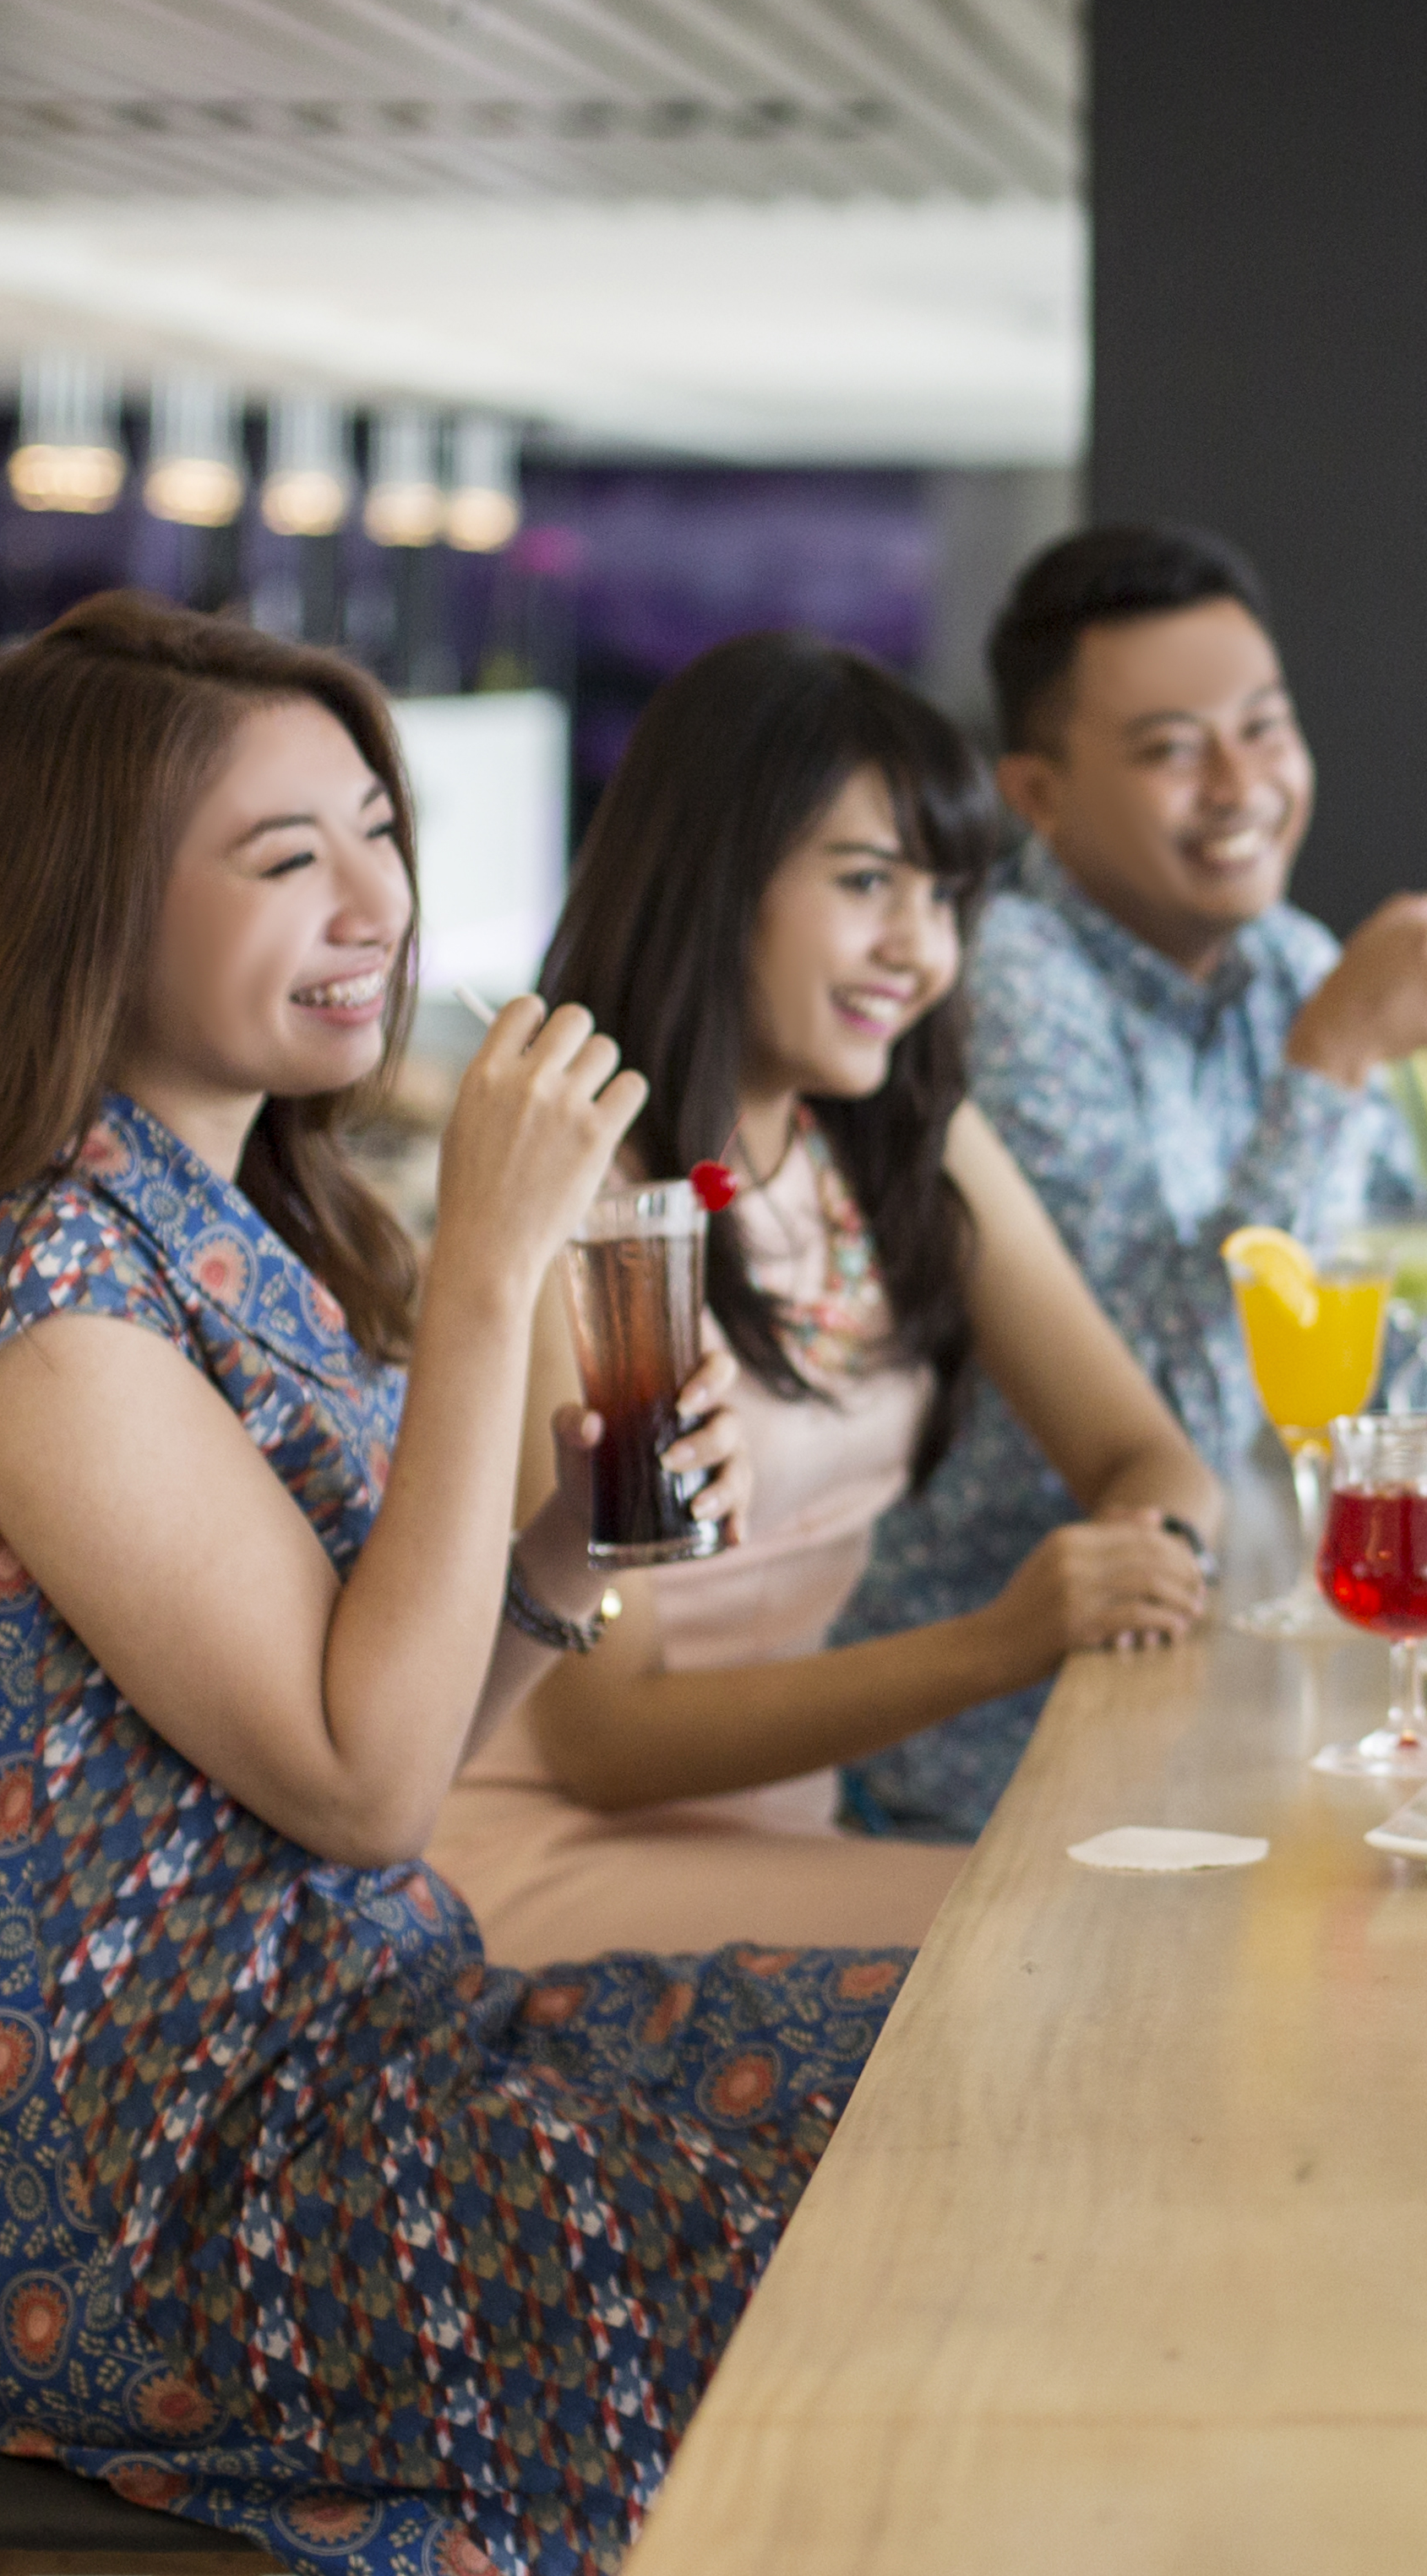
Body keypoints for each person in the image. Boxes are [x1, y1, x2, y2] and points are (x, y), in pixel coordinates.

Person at [0, 593, 901, 2576]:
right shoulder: (46, 1295)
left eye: (380, 831)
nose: (373, 899)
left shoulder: (228, 1229)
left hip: (376, 2040)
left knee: (927, 2072)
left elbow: (375, 1734)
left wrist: (554, 1547)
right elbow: (363, 1785)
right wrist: (492, 1270)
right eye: (290, 858)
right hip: (167, 2184)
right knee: (826, 2251)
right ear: (85, 913)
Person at [832, 524, 1427, 1834]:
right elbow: (1181, 1420)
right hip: (1003, 1743)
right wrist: (1327, 1063)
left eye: (1264, 727)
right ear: (1037, 793)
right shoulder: (1003, 980)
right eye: (1171, 748)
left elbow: (1389, 1370)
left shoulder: (1285, 957)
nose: (1242, 783)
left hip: (1213, 1672)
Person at [429, 634, 1220, 1957]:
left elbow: (1144, 1450)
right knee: (1096, 1946)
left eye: (949, 898)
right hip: (565, 1854)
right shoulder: (590, 1193)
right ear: (717, 882)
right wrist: (1007, 1639)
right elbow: (609, 1737)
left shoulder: (898, 1142)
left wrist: (1153, 1562)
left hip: (783, 1837)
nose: (920, 951)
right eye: (868, 883)